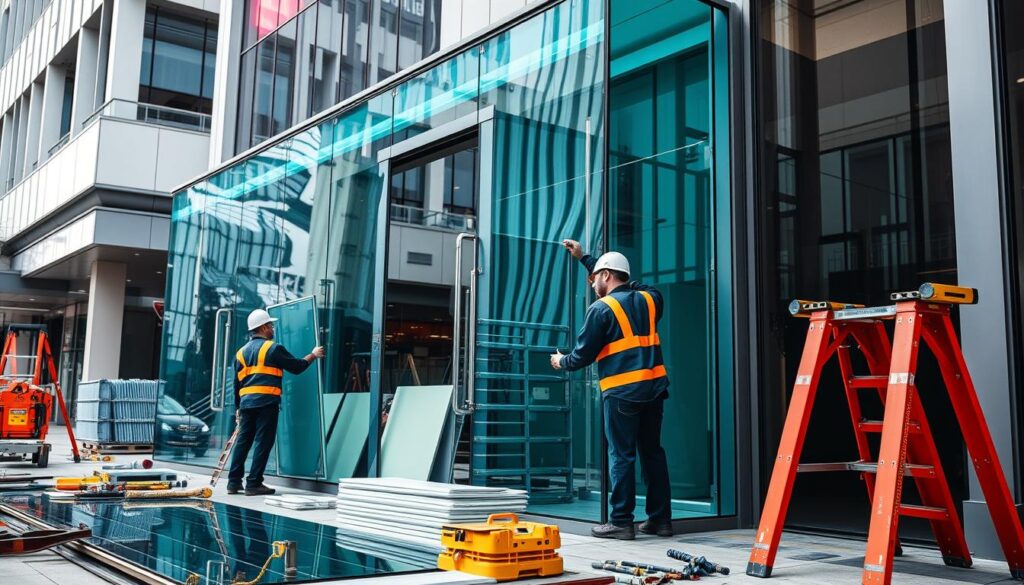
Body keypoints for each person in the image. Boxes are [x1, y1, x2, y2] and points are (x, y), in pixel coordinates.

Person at [550, 240, 672, 540]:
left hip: (621, 394)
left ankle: (621, 521)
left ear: (606, 275)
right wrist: (588, 260)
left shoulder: (600, 310)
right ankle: (661, 520)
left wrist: (560, 361)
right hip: (654, 390)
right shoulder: (652, 299)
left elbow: (581, 356)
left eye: (595, 278)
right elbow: (631, 283)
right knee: (652, 453)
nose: (592, 284)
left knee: (621, 456)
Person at [228, 308, 325, 496]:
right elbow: (297, 367)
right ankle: (254, 483)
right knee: (263, 442)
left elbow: (236, 384)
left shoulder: (240, 353)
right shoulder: (272, 348)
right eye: (270, 325)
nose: (272, 328)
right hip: (266, 402)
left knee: (243, 442)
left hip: (247, 404)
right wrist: (313, 354)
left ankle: (233, 483)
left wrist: (238, 408)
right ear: (263, 327)